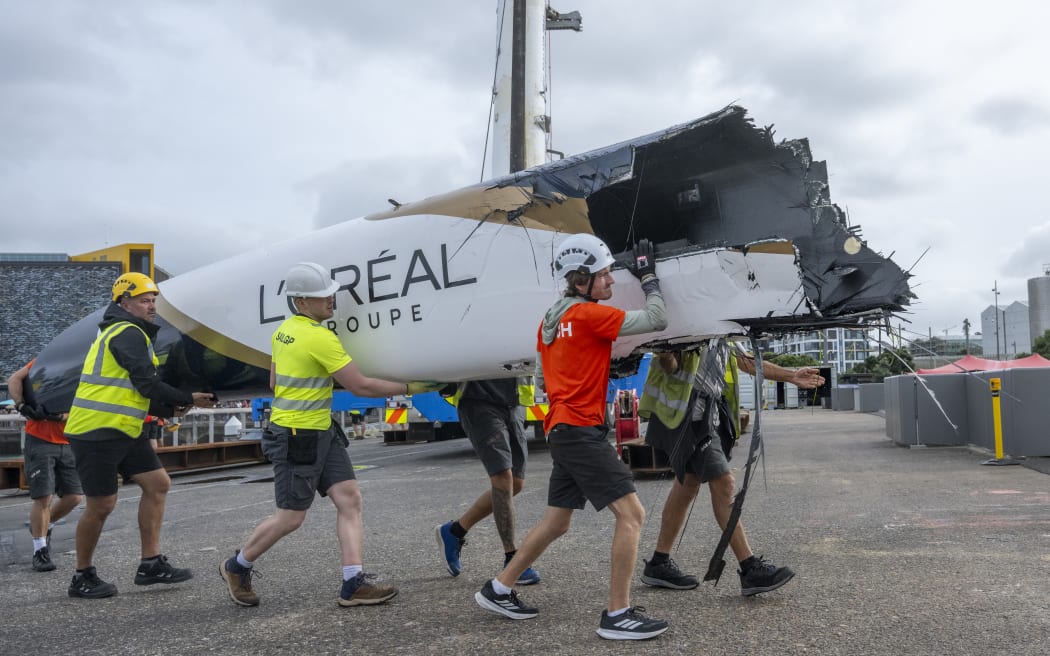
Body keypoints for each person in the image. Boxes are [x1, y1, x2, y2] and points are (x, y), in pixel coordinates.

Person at [474, 235, 671, 641]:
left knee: (557, 522)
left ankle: (499, 588)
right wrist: (648, 276)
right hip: (581, 431)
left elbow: (545, 378)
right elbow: (656, 319)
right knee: (632, 515)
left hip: (561, 428)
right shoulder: (589, 315)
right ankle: (618, 615)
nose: (611, 281)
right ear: (581, 280)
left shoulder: (550, 320)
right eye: (604, 275)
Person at [220, 262, 443, 608]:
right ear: (301, 301)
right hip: (297, 436)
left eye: (331, 293)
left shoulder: (283, 332)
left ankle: (353, 583)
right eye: (323, 295)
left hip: (319, 429)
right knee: (290, 518)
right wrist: (412, 387)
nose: (331, 299)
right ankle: (237, 566)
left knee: (349, 498)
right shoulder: (319, 337)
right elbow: (360, 386)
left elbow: (274, 383)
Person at [64, 272, 218, 599]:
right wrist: (186, 397)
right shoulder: (127, 332)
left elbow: (134, 391)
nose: (152, 306)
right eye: (144, 301)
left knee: (158, 483)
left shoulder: (130, 333)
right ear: (124, 303)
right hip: (96, 430)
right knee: (101, 505)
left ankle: (150, 563)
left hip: (123, 428)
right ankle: (82, 575)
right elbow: (146, 383)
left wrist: (171, 408)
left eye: (153, 301)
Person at [637, 340, 825, 596]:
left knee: (687, 484)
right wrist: (666, 355)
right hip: (687, 418)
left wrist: (791, 375)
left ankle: (659, 563)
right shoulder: (689, 327)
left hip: (704, 416)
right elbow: (669, 365)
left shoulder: (721, 329)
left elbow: (746, 361)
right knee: (724, 482)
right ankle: (749, 568)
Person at [435, 377, 541, 585]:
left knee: (516, 483)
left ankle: (454, 531)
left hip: (514, 401)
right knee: (502, 478)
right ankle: (511, 558)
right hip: (478, 399)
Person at [8, 360, 84, 572]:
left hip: (68, 440)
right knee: (44, 496)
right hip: (39, 439)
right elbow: (14, 379)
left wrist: (59, 416)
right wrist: (21, 405)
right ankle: (39, 551)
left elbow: (87, 406)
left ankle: (44, 525)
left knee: (74, 497)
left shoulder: (85, 366)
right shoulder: (46, 361)